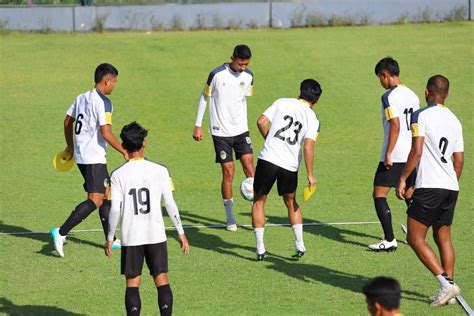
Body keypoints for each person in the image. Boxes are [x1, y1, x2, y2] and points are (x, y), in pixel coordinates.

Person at [105, 122, 190, 316]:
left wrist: (110, 237)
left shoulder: (117, 175)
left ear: (124, 146)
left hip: (131, 237)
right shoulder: (161, 170)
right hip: (156, 235)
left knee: (132, 284)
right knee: (162, 280)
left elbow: (115, 210)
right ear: (144, 143)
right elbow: (170, 204)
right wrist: (181, 233)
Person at [396, 75, 464, 307]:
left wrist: (404, 178)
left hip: (430, 188)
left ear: (427, 92)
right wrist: (450, 183)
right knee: (442, 237)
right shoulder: (455, 120)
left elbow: (416, 151)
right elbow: (459, 160)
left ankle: (447, 285)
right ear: (446, 94)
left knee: (414, 238)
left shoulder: (421, 115)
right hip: (450, 187)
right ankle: (449, 291)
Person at [50, 63, 127, 257]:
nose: (114, 86)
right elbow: (106, 133)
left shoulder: (81, 97)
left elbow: (68, 121)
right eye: (114, 82)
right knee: (95, 199)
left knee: (107, 194)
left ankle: (112, 238)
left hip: (82, 155)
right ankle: (60, 232)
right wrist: (124, 151)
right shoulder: (104, 103)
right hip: (94, 157)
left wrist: (70, 146)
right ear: (106, 80)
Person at [252, 79, 321, 260]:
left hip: (268, 160)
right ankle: (300, 245)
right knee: (291, 202)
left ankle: (260, 249)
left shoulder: (282, 102)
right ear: (317, 100)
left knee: (259, 202)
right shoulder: (313, 119)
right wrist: (311, 175)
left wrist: (270, 141)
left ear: (300, 91)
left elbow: (261, 122)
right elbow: (308, 147)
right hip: (289, 167)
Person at [192, 44, 255, 232]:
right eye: (240, 63)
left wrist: (242, 123)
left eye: (246, 64)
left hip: (241, 130)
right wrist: (198, 125)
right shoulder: (216, 75)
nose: (243, 67)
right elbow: (205, 97)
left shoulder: (249, 76)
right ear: (232, 58)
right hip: (220, 132)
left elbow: (242, 99)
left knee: (250, 169)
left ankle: (255, 210)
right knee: (228, 172)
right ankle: (230, 218)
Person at [369, 57, 420, 252]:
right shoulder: (413, 95)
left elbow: (395, 125)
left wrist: (388, 153)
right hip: (412, 153)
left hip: (396, 152)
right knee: (408, 193)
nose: (380, 83)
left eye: (379, 78)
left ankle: (389, 239)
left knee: (379, 193)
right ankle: (415, 234)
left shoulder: (389, 97)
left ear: (385, 75)